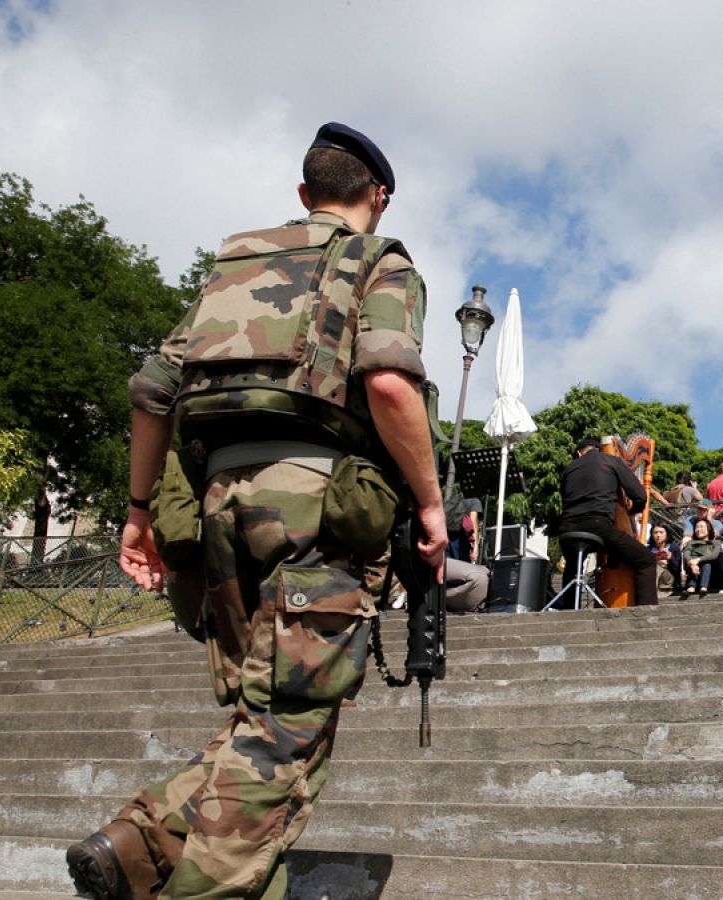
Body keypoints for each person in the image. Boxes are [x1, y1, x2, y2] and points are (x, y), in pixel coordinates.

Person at [71, 122, 447, 900]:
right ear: (378, 196)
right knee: (286, 729)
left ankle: (135, 849)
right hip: (317, 514)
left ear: (304, 196)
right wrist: (433, 504)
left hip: (217, 516)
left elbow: (151, 391)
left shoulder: (232, 268)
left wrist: (138, 510)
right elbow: (386, 384)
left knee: (261, 712)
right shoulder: (381, 262)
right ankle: (180, 876)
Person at [560, 437, 659, 605]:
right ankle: (646, 611)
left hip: (567, 528)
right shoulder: (611, 461)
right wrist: (631, 511)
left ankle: (568, 608)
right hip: (599, 526)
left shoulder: (568, 469)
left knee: (572, 566)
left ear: (579, 453)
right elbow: (640, 496)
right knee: (647, 560)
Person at [680, 518, 719, 596]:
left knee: (707, 564)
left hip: (710, 569)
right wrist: (693, 564)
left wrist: (698, 559)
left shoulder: (715, 542)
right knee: (691, 560)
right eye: (696, 527)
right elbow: (686, 553)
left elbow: (714, 555)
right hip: (692, 567)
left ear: (709, 529)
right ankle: (691, 586)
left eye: (701, 527)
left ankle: (704, 586)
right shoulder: (691, 543)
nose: (698, 529)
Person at [648, 524, 681, 592]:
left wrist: (671, 559)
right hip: (653, 578)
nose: (658, 535)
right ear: (652, 535)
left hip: (669, 579)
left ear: (667, 534)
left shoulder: (673, 547)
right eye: (655, 532)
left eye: (661, 532)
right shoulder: (648, 549)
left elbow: (677, 569)